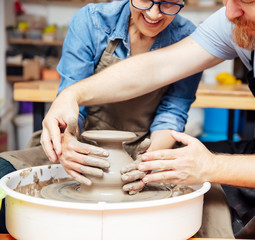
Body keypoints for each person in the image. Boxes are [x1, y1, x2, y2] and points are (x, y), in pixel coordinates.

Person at [41, 0, 255, 239]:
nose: (231, 12)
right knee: (172, 173)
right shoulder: (238, 15)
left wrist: (210, 166)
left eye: (247, 0)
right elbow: (158, 67)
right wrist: (73, 95)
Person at [0, 0, 205, 234]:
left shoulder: (189, 38)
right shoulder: (92, 21)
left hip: (147, 148)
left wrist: (147, 162)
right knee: (4, 177)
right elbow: (70, 101)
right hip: (78, 142)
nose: (154, 13)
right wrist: (68, 144)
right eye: (145, 0)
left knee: (211, 204)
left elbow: (172, 113)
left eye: (168, 2)